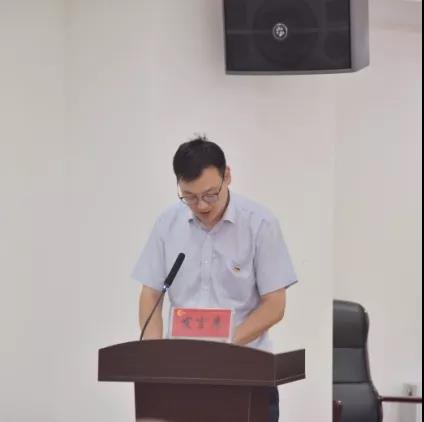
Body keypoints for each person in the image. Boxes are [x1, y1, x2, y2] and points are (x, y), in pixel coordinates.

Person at [132, 136, 298, 422]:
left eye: (210, 194)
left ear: (227, 176)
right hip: (180, 378)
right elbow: (151, 294)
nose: (201, 205)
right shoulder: (167, 224)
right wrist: (155, 357)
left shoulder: (260, 224)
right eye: (189, 197)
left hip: (246, 375)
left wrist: (224, 349)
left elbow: (275, 305)